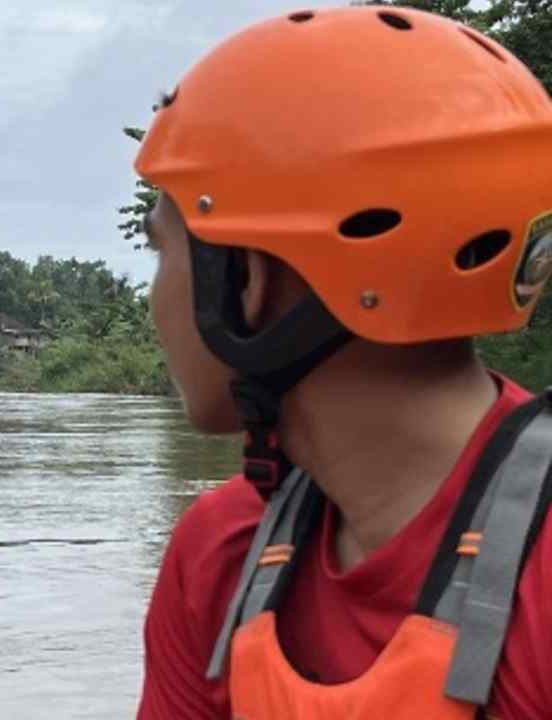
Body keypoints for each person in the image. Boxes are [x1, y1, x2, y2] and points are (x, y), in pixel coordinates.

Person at [133, 7, 552, 719]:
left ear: (246, 278)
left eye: (159, 250)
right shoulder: (213, 549)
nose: (152, 299)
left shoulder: (222, 559)